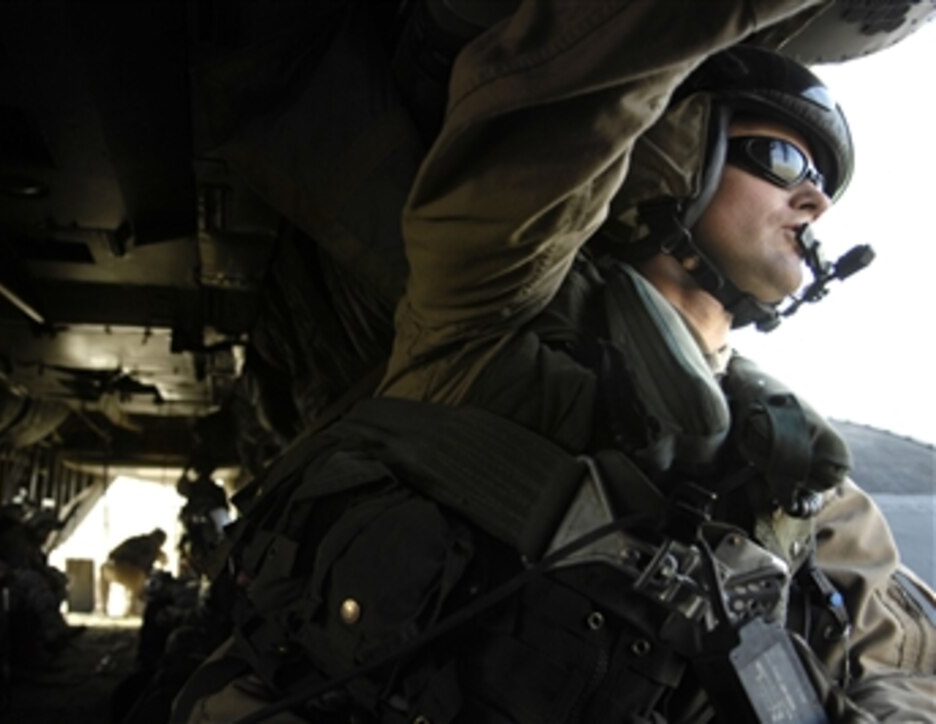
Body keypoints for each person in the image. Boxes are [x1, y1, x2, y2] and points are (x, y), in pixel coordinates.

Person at [177, 1, 936, 721]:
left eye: (825, 186)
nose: (816, 203)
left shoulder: (807, 489)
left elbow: (899, 665)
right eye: (780, 159)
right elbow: (579, 93)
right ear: (676, 153)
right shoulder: (485, 310)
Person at [100, 528, 169, 617]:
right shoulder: (153, 546)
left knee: (104, 569)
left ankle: (104, 608)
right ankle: (131, 609)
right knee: (140, 576)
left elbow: (112, 554)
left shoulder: (134, 540)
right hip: (132, 574)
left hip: (112, 569)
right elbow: (154, 564)